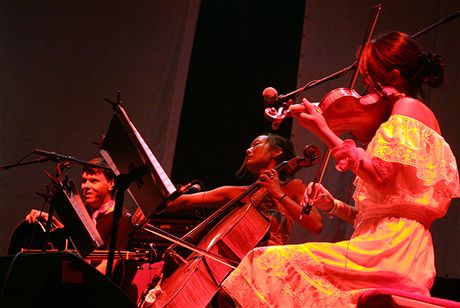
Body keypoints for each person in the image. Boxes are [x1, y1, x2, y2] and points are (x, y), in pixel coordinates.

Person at [220, 31, 460, 306]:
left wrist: (325, 131)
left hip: (388, 252)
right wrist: (331, 205)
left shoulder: (406, 107)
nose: (366, 87)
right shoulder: (416, 113)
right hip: (401, 250)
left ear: (394, 76)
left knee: (264, 264)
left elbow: (380, 177)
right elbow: (382, 210)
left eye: (370, 78)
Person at [139, 133, 323, 246]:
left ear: (277, 152)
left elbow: (315, 224)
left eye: (256, 144)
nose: (247, 150)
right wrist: (150, 203)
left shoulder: (294, 187)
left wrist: (277, 193)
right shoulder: (236, 193)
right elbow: (184, 201)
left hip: (270, 269)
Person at [25, 157, 135, 275]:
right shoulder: (84, 211)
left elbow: (106, 269)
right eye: (84, 181)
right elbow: (77, 240)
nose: (85, 186)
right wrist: (52, 220)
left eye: (93, 181)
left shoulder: (122, 219)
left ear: (111, 183)